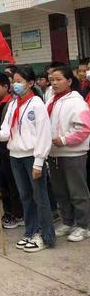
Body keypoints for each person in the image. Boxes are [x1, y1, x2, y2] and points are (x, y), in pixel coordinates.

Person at [0, 66, 55, 253]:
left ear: (31, 83)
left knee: (39, 197)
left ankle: (45, 235)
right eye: (13, 82)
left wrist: (39, 161)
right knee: (25, 196)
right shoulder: (14, 105)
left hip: (31, 156)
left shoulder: (36, 104)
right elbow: (7, 129)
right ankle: (31, 231)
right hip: (15, 156)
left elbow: (43, 135)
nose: (15, 85)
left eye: (19, 81)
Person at [46, 65, 90, 242]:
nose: (54, 83)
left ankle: (84, 225)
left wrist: (63, 140)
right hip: (54, 153)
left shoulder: (76, 102)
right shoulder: (51, 100)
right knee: (60, 191)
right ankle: (67, 221)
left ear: (69, 81)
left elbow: (84, 129)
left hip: (73, 154)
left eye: (58, 79)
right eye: (52, 80)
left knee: (77, 191)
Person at [0, 73, 23, 229]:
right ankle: (8, 212)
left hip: (7, 149)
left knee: (12, 184)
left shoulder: (10, 104)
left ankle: (17, 214)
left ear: (6, 87)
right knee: (2, 184)